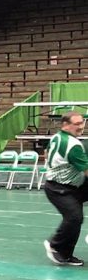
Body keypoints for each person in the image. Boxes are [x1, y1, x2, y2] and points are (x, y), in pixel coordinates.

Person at [42, 111, 88, 266]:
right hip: (60, 188)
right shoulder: (73, 145)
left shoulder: (56, 137)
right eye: (77, 124)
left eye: (82, 122)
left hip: (71, 184)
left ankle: (66, 254)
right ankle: (54, 245)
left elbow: (46, 152)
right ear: (65, 125)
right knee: (74, 217)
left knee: (76, 219)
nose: (81, 126)